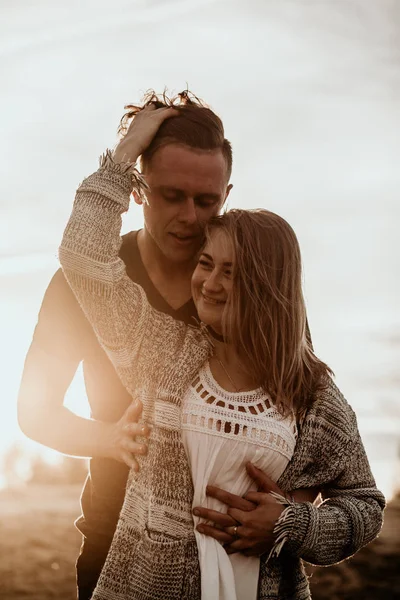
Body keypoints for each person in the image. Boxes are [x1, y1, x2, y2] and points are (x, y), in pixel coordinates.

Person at [57, 104, 385, 600]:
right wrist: (125, 153)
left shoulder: (313, 395)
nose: (208, 283)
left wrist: (292, 524)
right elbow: (82, 257)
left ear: (269, 286)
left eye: (230, 271)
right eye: (206, 264)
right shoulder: (162, 352)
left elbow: (365, 504)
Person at [17, 91, 315, 599]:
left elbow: (307, 416)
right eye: (171, 195)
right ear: (137, 188)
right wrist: (110, 439)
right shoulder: (83, 284)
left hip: (240, 558)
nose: (191, 218)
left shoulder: (257, 287)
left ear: (227, 193)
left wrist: (289, 515)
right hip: (117, 545)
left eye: (207, 201)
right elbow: (34, 412)